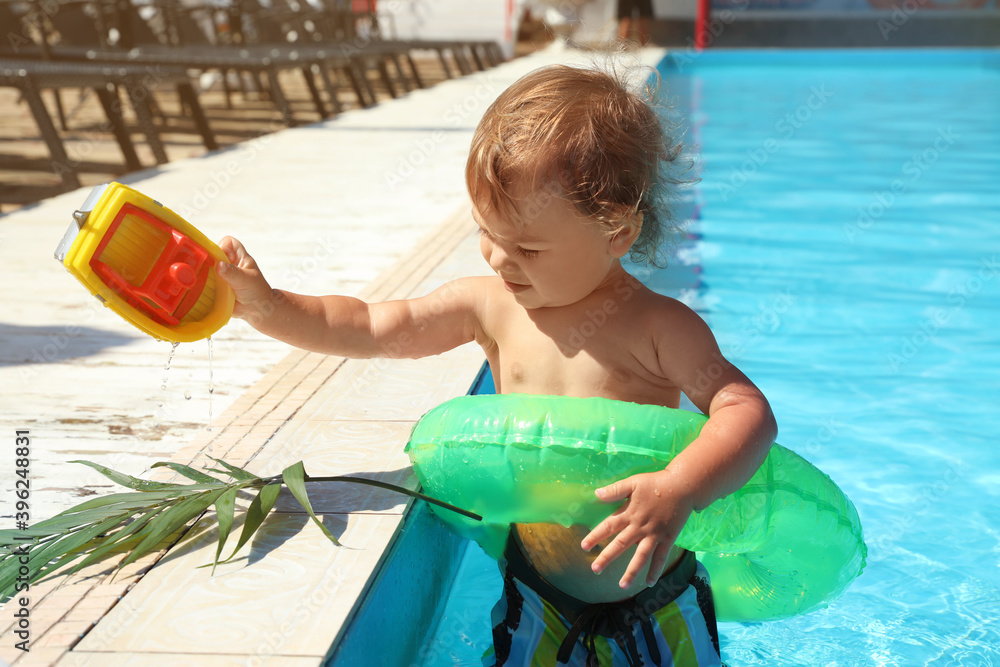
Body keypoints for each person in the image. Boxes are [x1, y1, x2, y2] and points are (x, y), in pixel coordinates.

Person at [218, 64, 776, 667]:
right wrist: (269, 306)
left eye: (528, 247)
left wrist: (680, 489)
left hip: (656, 598)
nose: (498, 258)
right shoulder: (490, 306)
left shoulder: (659, 327)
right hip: (538, 595)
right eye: (487, 231)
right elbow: (373, 326)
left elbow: (745, 411)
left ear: (616, 230)